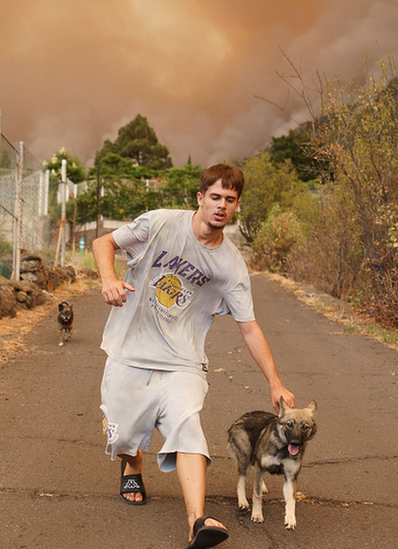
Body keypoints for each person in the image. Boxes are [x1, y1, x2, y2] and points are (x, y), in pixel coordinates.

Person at [93, 163, 296, 548]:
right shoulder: (160, 223)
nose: (221, 206)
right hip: (129, 350)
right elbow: (104, 243)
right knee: (120, 433)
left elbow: (249, 326)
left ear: (237, 206)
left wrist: (275, 381)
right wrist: (108, 278)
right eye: (215, 197)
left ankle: (196, 521)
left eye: (230, 200)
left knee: (188, 425)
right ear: (200, 198)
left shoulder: (231, 266)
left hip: (182, 360)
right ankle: (132, 463)